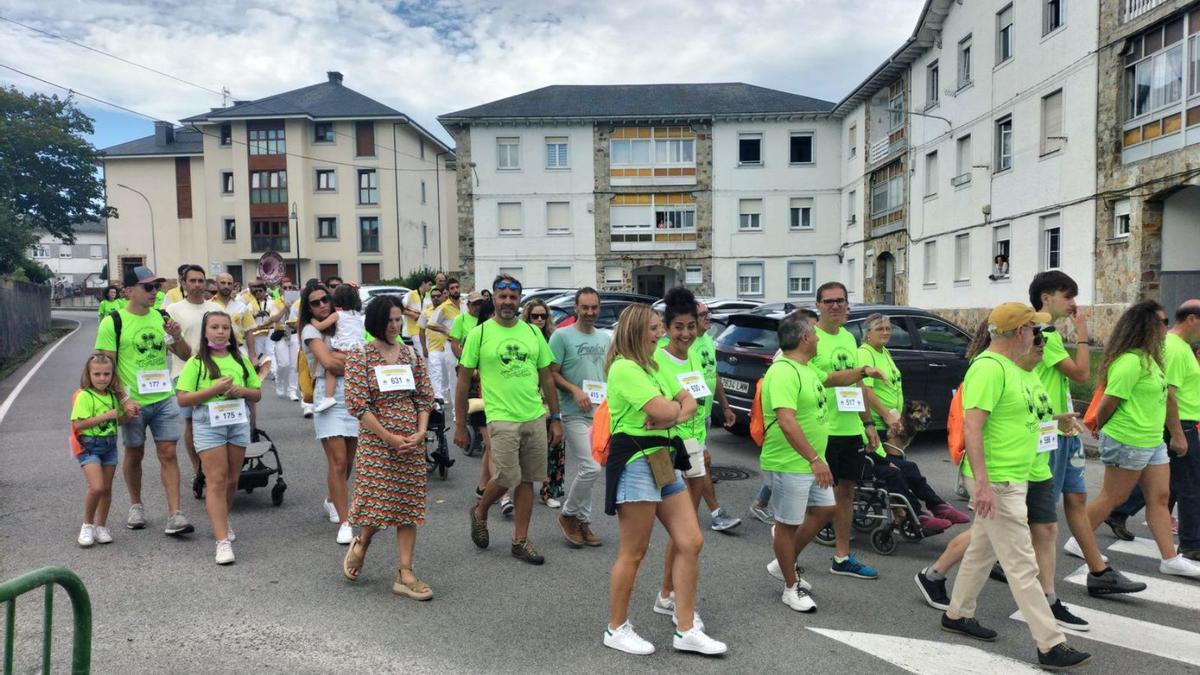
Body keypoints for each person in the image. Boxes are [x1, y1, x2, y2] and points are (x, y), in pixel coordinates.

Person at [940, 303, 1090, 671]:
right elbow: (974, 428)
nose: (1037, 336)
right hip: (1000, 480)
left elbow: (1019, 420)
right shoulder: (989, 369)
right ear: (1017, 332)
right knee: (1022, 564)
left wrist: (1057, 420)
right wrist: (983, 485)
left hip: (1016, 475)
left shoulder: (1014, 369)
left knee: (981, 550)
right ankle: (1050, 643)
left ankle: (957, 614)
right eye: (1032, 329)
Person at [601, 303, 725, 655]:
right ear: (636, 331)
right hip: (636, 461)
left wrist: (669, 414)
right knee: (634, 552)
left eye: (660, 328)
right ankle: (616, 628)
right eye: (654, 328)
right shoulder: (624, 368)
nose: (661, 334)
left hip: (663, 459)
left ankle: (685, 629)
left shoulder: (654, 366)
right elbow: (667, 408)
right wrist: (670, 411)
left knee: (691, 540)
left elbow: (690, 403)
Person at [1025, 273, 1143, 594]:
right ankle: (995, 560)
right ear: (1046, 298)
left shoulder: (1047, 334)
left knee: (1076, 498)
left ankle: (1098, 572)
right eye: (1067, 296)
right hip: (1047, 431)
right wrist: (1082, 334)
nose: (1073, 303)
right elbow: (1081, 374)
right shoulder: (1041, 336)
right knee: (1039, 508)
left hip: (1065, 430)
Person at [1084, 300, 1200, 578]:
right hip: (1128, 438)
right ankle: (1079, 539)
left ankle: (1170, 559)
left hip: (1151, 440)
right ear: (1146, 325)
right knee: (1114, 496)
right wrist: (1103, 430)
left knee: (1160, 497)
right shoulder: (1130, 361)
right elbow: (1107, 404)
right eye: (1161, 321)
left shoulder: (1151, 359)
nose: (1166, 326)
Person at [456, 274, 563, 565]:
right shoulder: (480, 334)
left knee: (527, 480)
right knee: (506, 476)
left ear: (519, 300)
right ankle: (480, 510)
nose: (507, 302)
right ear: (494, 298)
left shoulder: (532, 333)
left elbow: (547, 378)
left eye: (512, 298)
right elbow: (463, 380)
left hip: (533, 415)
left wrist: (555, 418)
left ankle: (520, 541)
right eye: (502, 297)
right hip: (501, 417)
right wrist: (459, 423)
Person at [341, 295, 437, 599]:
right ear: (376, 322)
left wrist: (420, 432)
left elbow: (424, 397)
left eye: (398, 319)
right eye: (390, 320)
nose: (395, 326)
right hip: (377, 441)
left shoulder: (411, 355)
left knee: (408, 505)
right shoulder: (361, 356)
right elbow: (358, 403)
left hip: (410, 441)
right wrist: (388, 437)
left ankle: (405, 572)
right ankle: (363, 541)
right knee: (379, 502)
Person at [653, 287, 734, 621]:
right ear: (667, 328)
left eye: (690, 326)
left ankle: (667, 594)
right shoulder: (656, 357)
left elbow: (701, 397)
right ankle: (673, 602)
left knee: (685, 529)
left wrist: (702, 442)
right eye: (679, 327)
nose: (686, 333)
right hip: (666, 449)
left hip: (695, 443)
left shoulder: (696, 352)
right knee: (684, 530)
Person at [95, 266, 194, 535]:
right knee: (134, 453)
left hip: (163, 399)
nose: (154, 292)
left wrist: (176, 336)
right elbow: (107, 368)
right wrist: (123, 400)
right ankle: (136, 505)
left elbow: (186, 355)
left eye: (157, 287)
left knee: (168, 453)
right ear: (129, 291)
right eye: (148, 287)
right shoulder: (112, 322)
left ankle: (175, 514)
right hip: (133, 402)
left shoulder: (162, 317)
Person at [859, 314, 967, 531]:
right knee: (895, 471)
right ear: (867, 333)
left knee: (909, 467)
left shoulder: (884, 352)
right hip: (875, 427)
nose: (886, 332)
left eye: (889, 328)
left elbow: (892, 388)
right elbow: (866, 390)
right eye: (880, 328)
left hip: (890, 423)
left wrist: (897, 417)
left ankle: (937, 506)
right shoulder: (865, 354)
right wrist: (887, 416)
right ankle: (915, 515)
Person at [759, 311, 835, 612]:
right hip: (790, 462)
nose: (818, 338)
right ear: (804, 338)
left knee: (826, 508)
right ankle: (791, 587)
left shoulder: (808, 369)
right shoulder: (783, 371)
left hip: (810, 462)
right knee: (787, 525)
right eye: (815, 333)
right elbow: (787, 421)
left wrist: (864, 372)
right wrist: (815, 459)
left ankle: (783, 563)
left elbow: (833, 379)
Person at [175, 311, 261, 564]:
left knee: (233, 479)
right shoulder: (196, 362)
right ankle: (221, 541)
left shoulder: (240, 359)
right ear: (205, 331)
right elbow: (183, 398)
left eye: (225, 327)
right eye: (215, 327)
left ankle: (223, 519)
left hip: (236, 421)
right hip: (208, 423)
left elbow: (256, 393)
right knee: (216, 479)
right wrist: (214, 389)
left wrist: (240, 390)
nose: (221, 332)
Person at [811, 281, 884, 579]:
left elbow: (857, 384)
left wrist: (868, 423)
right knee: (816, 500)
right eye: (829, 301)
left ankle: (841, 557)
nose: (835, 306)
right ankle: (786, 554)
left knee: (846, 494)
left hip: (849, 427)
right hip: (820, 428)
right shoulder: (809, 337)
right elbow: (822, 379)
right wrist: (860, 372)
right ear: (818, 305)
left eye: (840, 300)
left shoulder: (849, 337)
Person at [300, 284, 360, 545]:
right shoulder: (311, 330)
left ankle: (331, 499)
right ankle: (346, 523)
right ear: (308, 308)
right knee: (337, 461)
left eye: (326, 299)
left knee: (348, 461)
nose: (322, 305)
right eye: (315, 303)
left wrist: (354, 362)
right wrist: (358, 362)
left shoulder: (346, 321)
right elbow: (329, 363)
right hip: (328, 396)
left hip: (356, 393)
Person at [551, 288, 610, 548]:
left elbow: (608, 373)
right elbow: (551, 374)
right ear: (575, 308)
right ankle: (567, 515)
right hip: (573, 413)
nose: (590, 313)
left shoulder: (605, 338)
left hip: (600, 415)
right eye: (585, 307)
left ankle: (583, 521)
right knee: (590, 468)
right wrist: (574, 390)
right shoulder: (562, 336)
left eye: (594, 307)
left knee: (592, 470)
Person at [165, 265, 223, 495]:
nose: (197, 285)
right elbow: (170, 344)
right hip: (184, 373)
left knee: (214, 419)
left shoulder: (215, 308)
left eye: (201, 280)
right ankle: (197, 468)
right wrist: (192, 359)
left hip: (214, 372)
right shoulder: (173, 309)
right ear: (183, 283)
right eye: (193, 281)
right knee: (191, 423)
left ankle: (215, 466)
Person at [71, 353, 124, 547]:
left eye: (106, 374)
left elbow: (118, 418)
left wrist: (128, 414)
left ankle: (101, 526)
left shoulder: (112, 396)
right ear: (89, 374)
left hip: (110, 446)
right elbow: (78, 424)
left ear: (112, 375)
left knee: (107, 489)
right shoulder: (84, 396)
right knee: (97, 487)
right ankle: (87, 525)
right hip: (90, 446)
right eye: (97, 374)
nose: (102, 378)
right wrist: (107, 416)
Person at [523, 299, 565, 508]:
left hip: (550, 398)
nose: (539, 320)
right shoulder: (524, 337)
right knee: (531, 450)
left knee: (554, 446)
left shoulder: (553, 339)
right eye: (535, 316)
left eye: (543, 316)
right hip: (528, 399)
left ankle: (549, 491)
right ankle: (509, 491)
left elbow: (556, 370)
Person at [311, 284, 366, 413]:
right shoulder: (357, 315)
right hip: (359, 352)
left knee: (329, 367)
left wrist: (312, 320)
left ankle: (328, 397)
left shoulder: (338, 315)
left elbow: (320, 326)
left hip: (344, 352)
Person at [423, 279, 462, 414]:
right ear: (448, 291)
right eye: (452, 288)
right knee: (454, 379)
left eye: (457, 287)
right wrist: (445, 330)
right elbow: (431, 324)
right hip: (451, 345)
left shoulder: (464, 305)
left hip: (466, 346)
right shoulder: (444, 307)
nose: (455, 290)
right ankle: (456, 411)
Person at [403, 277, 433, 357]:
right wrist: (413, 315)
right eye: (429, 284)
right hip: (413, 329)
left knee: (425, 354)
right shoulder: (411, 294)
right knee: (421, 353)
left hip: (425, 330)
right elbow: (401, 309)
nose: (430, 287)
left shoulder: (428, 296)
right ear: (423, 283)